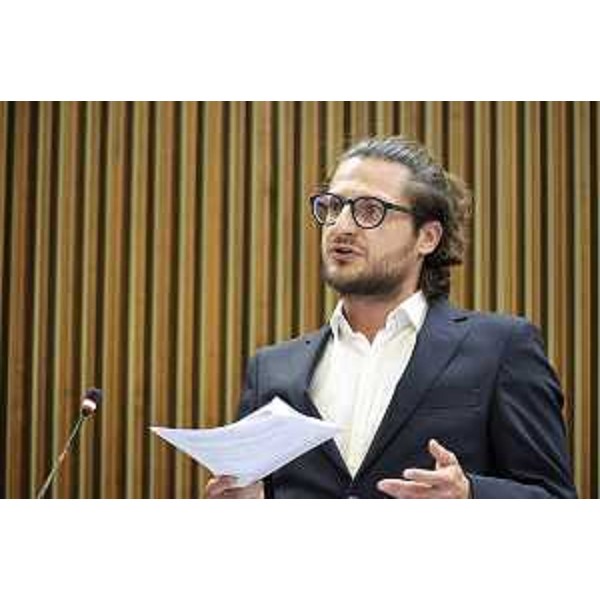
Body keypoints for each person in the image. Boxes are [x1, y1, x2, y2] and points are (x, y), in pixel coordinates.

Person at [206, 136, 577, 499]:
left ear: (427, 237)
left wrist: (469, 495)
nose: (341, 226)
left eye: (370, 210)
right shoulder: (271, 369)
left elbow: (555, 498)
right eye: (333, 206)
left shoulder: (501, 348)